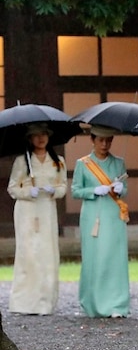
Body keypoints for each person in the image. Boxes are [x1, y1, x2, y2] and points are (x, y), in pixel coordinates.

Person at [6, 122, 67, 315]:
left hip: (47, 209)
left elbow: (63, 187)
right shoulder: (22, 161)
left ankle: (45, 302)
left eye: (44, 135)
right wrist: (27, 191)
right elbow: (12, 188)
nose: (41, 138)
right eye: (36, 135)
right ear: (30, 139)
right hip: (27, 210)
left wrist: (53, 191)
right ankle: (24, 302)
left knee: (47, 253)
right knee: (28, 253)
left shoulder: (58, 161)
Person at [71, 125, 130, 318]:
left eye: (108, 140)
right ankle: (93, 302)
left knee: (115, 258)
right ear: (93, 140)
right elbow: (75, 190)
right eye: (100, 140)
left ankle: (117, 304)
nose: (104, 144)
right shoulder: (83, 163)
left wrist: (121, 188)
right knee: (95, 258)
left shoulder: (118, 163)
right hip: (93, 216)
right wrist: (93, 191)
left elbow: (125, 189)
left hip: (114, 214)